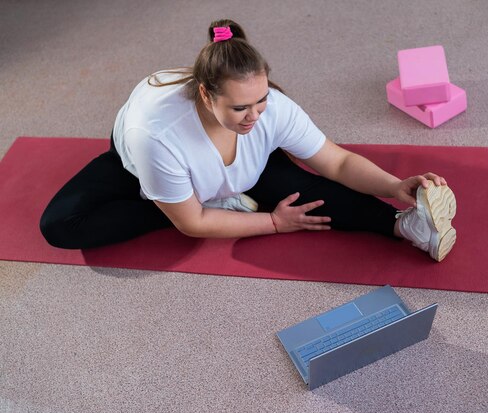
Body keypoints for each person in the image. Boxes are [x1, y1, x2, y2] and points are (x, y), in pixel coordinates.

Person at [39, 19, 457, 261]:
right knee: (60, 226)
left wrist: (394, 186)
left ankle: (407, 226)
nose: (255, 115)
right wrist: (273, 223)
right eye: (241, 108)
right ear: (206, 94)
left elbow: (336, 161)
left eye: (260, 101)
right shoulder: (155, 136)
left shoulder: (265, 109)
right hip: (139, 166)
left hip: (234, 165)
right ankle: (196, 197)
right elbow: (192, 224)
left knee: (306, 191)